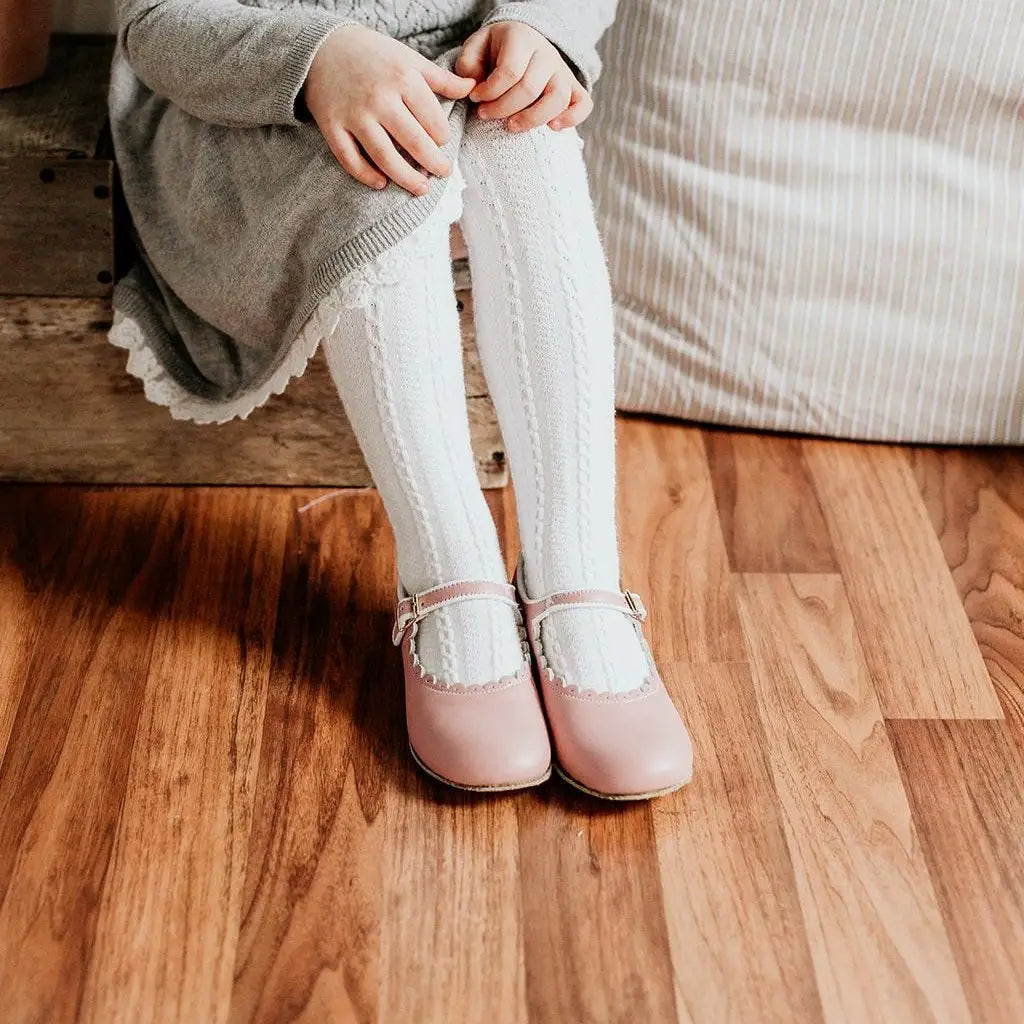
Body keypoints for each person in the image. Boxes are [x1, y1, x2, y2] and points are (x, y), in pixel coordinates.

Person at [109, 0, 693, 799]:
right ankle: (448, 576)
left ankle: (578, 578)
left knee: (529, 147)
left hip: (458, 65)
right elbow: (154, 21)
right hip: (251, 108)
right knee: (386, 171)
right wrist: (319, 58)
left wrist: (542, 29)